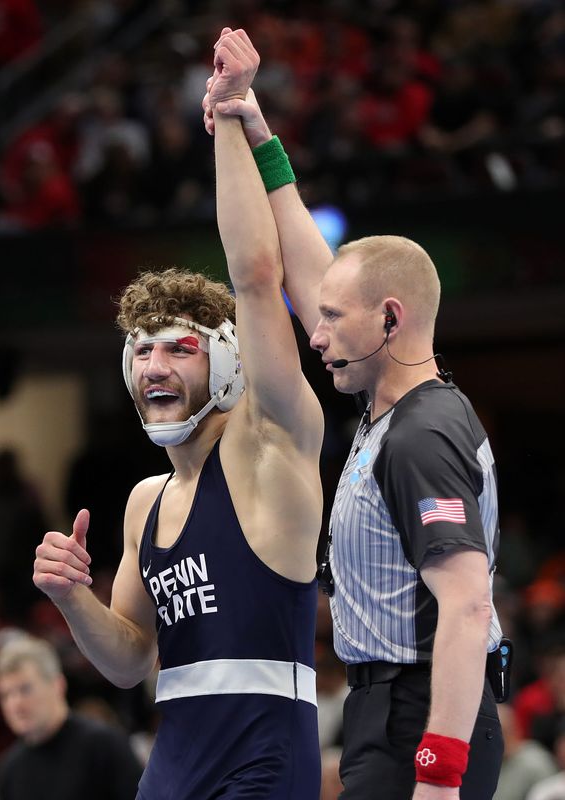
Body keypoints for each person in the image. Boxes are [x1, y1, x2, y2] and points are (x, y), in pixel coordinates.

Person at [205, 27, 506, 800]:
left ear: (391, 319)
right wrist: (256, 128)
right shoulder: (389, 407)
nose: (315, 332)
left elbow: (468, 607)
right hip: (385, 712)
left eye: (334, 320)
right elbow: (313, 270)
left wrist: (438, 774)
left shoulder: (422, 435)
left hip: (420, 722)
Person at [32, 33, 325, 800]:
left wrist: (229, 114)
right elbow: (129, 659)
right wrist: (73, 599)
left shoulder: (269, 448)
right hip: (174, 764)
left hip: (264, 762)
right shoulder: (143, 503)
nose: (155, 366)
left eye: (180, 350)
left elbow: (258, 280)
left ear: (225, 363)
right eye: (143, 353)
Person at [0, 634, 143, 800]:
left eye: (25, 689)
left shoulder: (103, 745)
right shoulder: (8, 771)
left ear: (58, 685)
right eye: (5, 695)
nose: (15, 704)